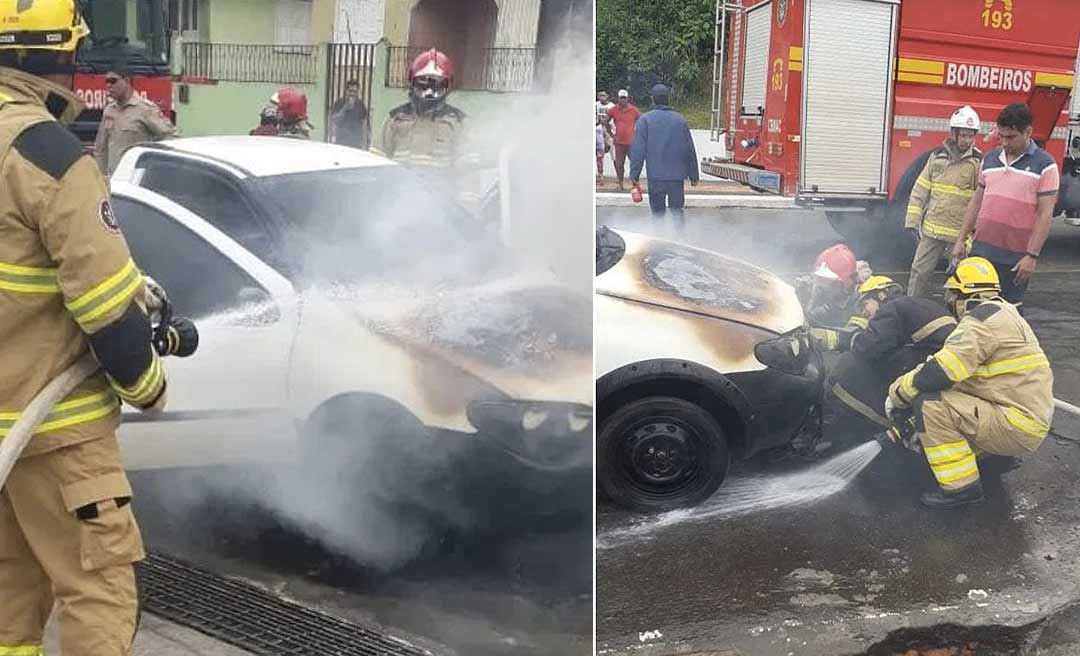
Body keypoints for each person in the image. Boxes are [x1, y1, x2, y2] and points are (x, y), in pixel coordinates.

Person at [0, 1, 193, 652]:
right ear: (56, 55)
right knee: (101, 589)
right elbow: (109, 309)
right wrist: (150, 387)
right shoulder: (47, 153)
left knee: (9, 599)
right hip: (55, 434)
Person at [886, 257, 1053, 508]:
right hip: (1023, 416)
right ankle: (999, 460)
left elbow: (938, 373)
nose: (951, 302)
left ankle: (961, 489)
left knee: (930, 404)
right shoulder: (1005, 313)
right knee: (952, 401)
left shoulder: (980, 322)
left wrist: (897, 394)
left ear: (966, 294)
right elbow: (965, 374)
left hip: (1015, 423)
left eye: (953, 295)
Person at [810, 276, 956, 430]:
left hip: (930, 365)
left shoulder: (893, 307)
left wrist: (845, 340)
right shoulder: (917, 305)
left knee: (853, 363)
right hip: (940, 369)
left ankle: (843, 420)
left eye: (864, 305)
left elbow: (873, 345)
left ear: (881, 294)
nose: (863, 313)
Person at [951, 103, 1059, 311]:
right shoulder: (990, 158)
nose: (1004, 142)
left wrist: (1032, 256)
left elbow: (1045, 214)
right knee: (974, 311)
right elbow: (976, 201)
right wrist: (960, 239)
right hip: (981, 251)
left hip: (1015, 259)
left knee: (1008, 313)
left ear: (1028, 132)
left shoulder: (1045, 165)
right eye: (1001, 136)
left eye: (1011, 137)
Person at [904, 105, 983, 298]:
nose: (967, 140)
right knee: (919, 271)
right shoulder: (936, 157)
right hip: (932, 230)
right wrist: (912, 223)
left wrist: (971, 235)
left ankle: (956, 313)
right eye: (963, 135)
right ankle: (912, 308)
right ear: (953, 133)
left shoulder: (977, 162)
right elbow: (920, 190)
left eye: (970, 136)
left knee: (960, 279)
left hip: (959, 235)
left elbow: (981, 202)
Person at [378, 49, 472, 171]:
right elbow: (380, 161)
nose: (428, 92)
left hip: (440, 189)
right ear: (412, 82)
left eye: (436, 86)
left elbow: (467, 171)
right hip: (399, 188)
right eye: (422, 84)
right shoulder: (395, 119)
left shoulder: (459, 123)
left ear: (448, 85)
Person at [628, 84, 699, 227]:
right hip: (676, 177)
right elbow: (689, 149)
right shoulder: (680, 120)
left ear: (653, 99)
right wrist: (694, 175)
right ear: (668, 99)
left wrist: (634, 175)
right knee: (677, 211)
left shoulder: (645, 120)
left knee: (657, 214)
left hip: (656, 177)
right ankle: (680, 240)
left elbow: (638, 150)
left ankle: (660, 241)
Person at [93, 62, 175, 175]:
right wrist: (100, 177)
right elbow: (100, 148)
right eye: (106, 81)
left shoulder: (145, 109)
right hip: (113, 180)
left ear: (127, 81)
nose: (108, 85)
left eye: (113, 81)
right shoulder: (109, 111)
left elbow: (170, 138)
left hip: (134, 179)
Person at [607, 89, 640, 191]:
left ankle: (635, 184)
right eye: (621, 98)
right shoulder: (613, 110)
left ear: (628, 98)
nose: (622, 100)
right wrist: (612, 135)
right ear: (618, 98)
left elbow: (641, 121)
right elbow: (606, 122)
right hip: (619, 143)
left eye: (624, 98)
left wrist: (637, 135)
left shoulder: (634, 110)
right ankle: (620, 184)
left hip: (632, 143)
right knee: (619, 164)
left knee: (634, 164)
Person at [329, 79, 369, 149]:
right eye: (350, 91)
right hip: (341, 141)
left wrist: (365, 142)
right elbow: (334, 121)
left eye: (355, 92)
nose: (352, 94)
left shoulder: (360, 104)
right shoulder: (339, 103)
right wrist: (344, 109)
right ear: (346, 91)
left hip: (356, 142)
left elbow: (364, 124)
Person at [596, 112, 608, 185]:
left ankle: (601, 177)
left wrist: (606, 144)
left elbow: (605, 135)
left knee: (600, 162)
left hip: (600, 146)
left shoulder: (601, 125)